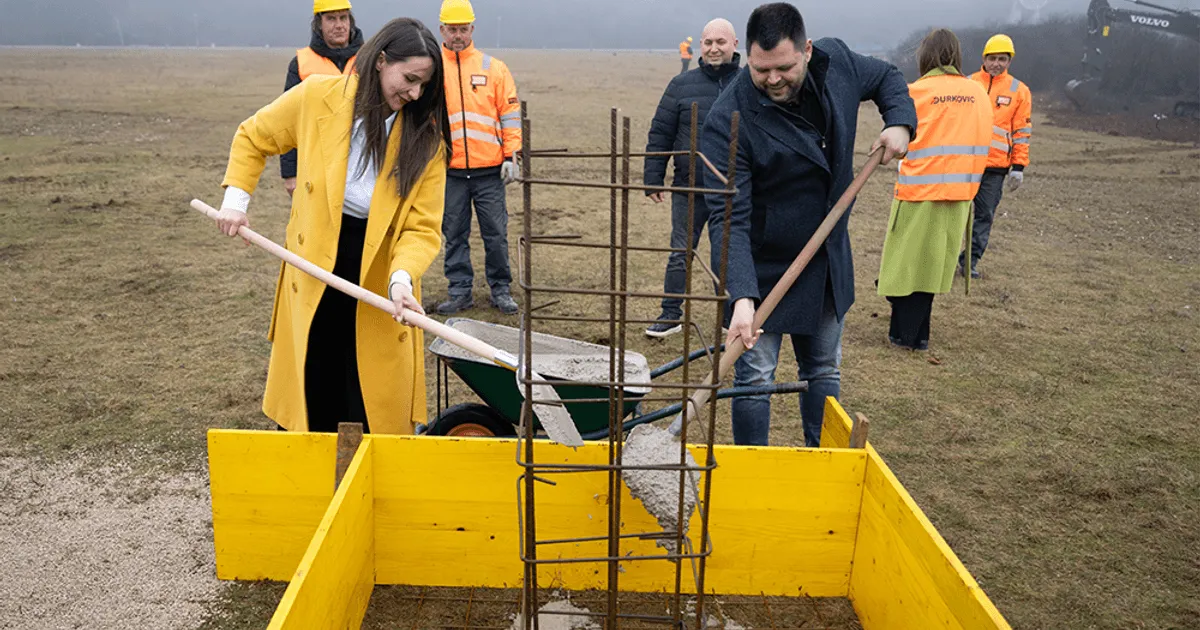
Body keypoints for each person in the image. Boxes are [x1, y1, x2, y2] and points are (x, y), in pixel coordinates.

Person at [213, 18, 450, 435]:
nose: (413, 94)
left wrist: (401, 278)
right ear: (380, 61)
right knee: (315, 379)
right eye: (409, 79)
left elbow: (422, 227)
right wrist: (236, 202)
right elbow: (254, 136)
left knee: (366, 392)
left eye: (422, 87)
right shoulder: (315, 97)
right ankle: (313, 476)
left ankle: (367, 481)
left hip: (378, 274)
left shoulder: (426, 144)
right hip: (314, 266)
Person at [701, 2, 916, 447]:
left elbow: (888, 78)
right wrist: (741, 296)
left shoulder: (836, 62)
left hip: (825, 257)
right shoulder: (729, 118)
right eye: (761, 70)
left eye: (783, 67)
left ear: (807, 50)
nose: (772, 79)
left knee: (822, 367)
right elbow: (728, 218)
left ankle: (823, 460)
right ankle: (751, 469)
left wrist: (900, 123)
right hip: (764, 264)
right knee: (755, 374)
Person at [876, 28, 992, 351]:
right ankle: (918, 335)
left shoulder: (916, 91)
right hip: (959, 196)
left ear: (924, 56)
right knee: (931, 267)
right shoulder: (978, 93)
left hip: (918, 191)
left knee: (903, 265)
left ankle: (903, 334)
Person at [644, 19, 741, 338]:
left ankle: (730, 319)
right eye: (708, 42)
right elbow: (661, 131)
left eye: (720, 42)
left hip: (732, 190)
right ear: (701, 45)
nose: (714, 48)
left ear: (735, 44)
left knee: (726, 255)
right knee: (680, 253)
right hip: (687, 187)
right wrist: (653, 178)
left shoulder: (748, 84)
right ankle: (670, 314)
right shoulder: (681, 84)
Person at [434, 0, 522, 316]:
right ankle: (459, 292)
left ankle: (501, 290)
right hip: (450, 170)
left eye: (463, 29)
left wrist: (512, 156)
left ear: (473, 28)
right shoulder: (432, 69)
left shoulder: (493, 68)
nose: (458, 35)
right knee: (453, 234)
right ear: (442, 29)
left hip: (490, 172)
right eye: (452, 29)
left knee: (496, 236)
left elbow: (510, 115)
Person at [959, 34, 1032, 279]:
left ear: (1009, 61)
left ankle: (969, 262)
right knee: (954, 212)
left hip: (995, 167)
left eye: (1002, 59)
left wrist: (1018, 166)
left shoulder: (1019, 91)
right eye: (992, 58)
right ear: (984, 58)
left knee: (984, 215)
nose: (996, 63)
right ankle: (945, 258)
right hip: (964, 162)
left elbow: (1021, 131)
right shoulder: (968, 83)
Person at [280, 0, 365, 199]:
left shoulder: (369, 59)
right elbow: (288, 119)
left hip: (361, 166)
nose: (339, 25)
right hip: (315, 167)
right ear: (319, 24)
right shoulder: (301, 64)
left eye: (343, 18)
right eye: (331, 19)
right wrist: (290, 173)